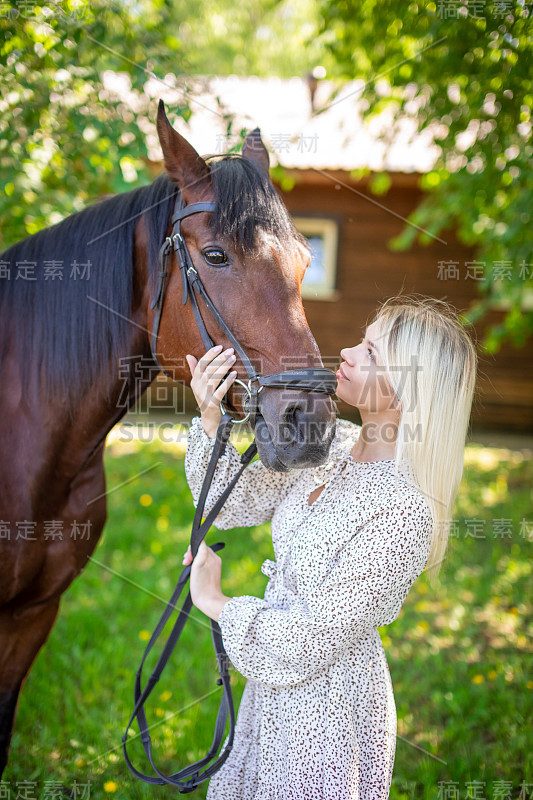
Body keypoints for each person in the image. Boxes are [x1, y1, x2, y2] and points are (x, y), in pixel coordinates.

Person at [182, 295, 477, 800]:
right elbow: (235, 506)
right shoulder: (329, 441)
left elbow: (309, 640)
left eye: (370, 351)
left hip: (326, 712)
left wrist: (216, 602)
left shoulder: (405, 509)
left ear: (412, 388)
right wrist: (212, 420)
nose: (345, 351)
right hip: (269, 690)